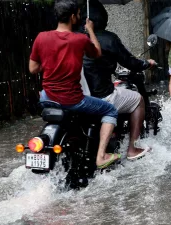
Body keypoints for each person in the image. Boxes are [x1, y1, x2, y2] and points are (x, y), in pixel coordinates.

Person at [29, 0, 120, 169]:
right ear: (72, 17)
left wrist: (50, 62)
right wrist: (91, 30)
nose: (79, 17)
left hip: (46, 98)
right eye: (78, 14)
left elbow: (33, 69)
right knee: (110, 110)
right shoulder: (80, 40)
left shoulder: (41, 37)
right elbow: (97, 53)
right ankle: (101, 156)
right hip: (71, 99)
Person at [81, 0, 155, 160]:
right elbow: (130, 62)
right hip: (101, 95)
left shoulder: (73, 39)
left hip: (79, 97)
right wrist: (146, 64)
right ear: (103, 18)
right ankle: (133, 148)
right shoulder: (108, 39)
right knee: (137, 100)